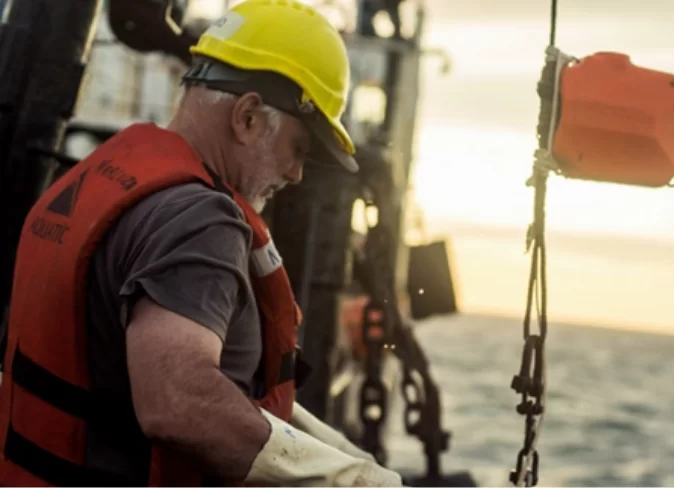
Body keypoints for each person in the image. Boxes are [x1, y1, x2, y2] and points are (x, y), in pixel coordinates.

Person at [0, 0, 403, 486]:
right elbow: (180, 402)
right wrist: (352, 482)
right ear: (248, 117)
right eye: (299, 148)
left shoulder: (101, 176)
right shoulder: (199, 221)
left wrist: (340, 455)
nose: (296, 174)